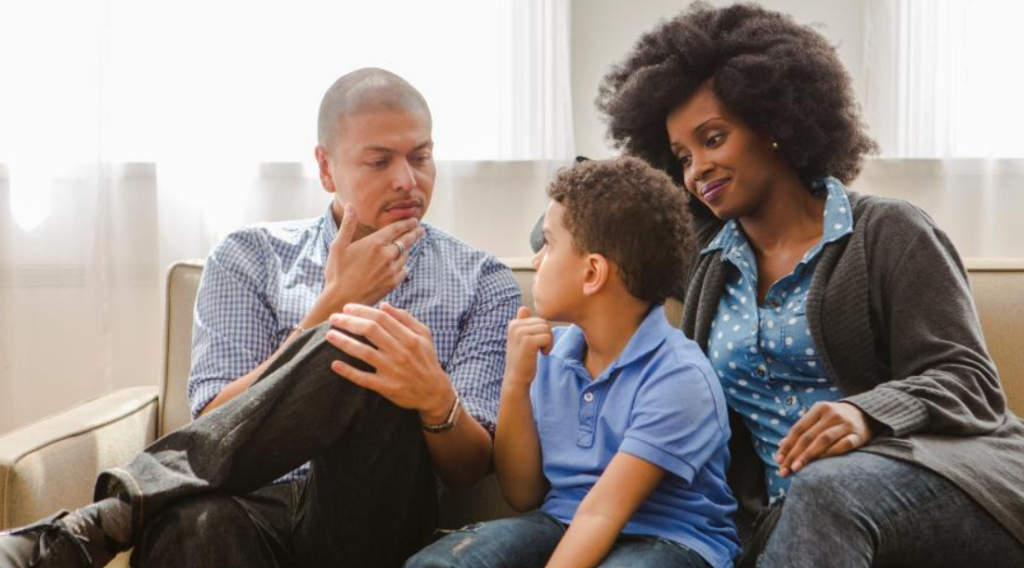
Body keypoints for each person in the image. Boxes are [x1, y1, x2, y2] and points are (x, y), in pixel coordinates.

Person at [0, 68, 521, 568]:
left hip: (371, 513)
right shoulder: (248, 257)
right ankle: (125, 516)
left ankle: (106, 522)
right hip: (246, 502)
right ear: (325, 167)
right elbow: (215, 422)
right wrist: (330, 303)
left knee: (364, 339)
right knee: (190, 528)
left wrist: (432, 394)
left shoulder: (481, 280)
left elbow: (468, 470)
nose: (408, 180)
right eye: (380, 161)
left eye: (421, 156)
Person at [594, 3, 1024, 567]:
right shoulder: (707, 259)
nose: (698, 168)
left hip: (944, 481)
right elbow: (575, 225)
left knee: (824, 487)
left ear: (773, 122)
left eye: (714, 138)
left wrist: (866, 412)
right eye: (681, 156)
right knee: (810, 498)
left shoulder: (888, 232)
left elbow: (971, 382)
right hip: (794, 517)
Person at [407, 157, 740, 568]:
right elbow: (522, 494)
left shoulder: (678, 377)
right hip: (561, 522)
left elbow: (604, 513)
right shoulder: (552, 356)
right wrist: (516, 380)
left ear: (592, 273)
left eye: (548, 244)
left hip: (669, 539)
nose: (536, 261)